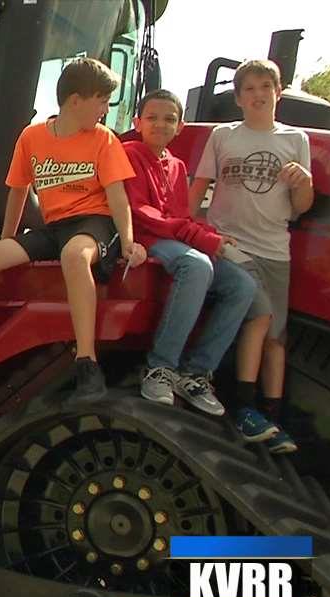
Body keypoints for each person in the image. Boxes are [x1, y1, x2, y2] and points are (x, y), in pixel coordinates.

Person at [0, 58, 145, 401]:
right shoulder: (32, 137)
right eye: (102, 101)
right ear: (75, 100)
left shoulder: (103, 140)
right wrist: (7, 240)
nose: (106, 109)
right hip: (53, 226)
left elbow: (117, 196)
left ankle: (87, 363)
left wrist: (128, 242)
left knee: (74, 256)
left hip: (93, 221)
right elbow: (18, 190)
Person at [189, 59, 313, 453]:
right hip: (231, 244)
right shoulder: (223, 136)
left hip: (275, 246)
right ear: (239, 98)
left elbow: (302, 206)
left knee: (276, 336)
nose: (258, 94)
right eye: (249, 89)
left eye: (265, 86)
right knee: (259, 318)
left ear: (279, 92)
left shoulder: (296, 141)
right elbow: (199, 187)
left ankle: (274, 420)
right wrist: (186, 229)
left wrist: (304, 182)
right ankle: (243, 410)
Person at [123, 90, 257, 415]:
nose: (160, 124)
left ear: (180, 126)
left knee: (242, 284)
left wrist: (212, 236)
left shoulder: (177, 165)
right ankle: (160, 368)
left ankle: (195, 372)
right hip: (145, 238)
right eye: (152, 118)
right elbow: (141, 213)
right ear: (137, 122)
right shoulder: (128, 154)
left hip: (173, 237)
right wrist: (203, 241)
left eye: (169, 119)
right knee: (197, 265)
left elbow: (181, 216)